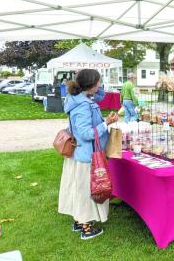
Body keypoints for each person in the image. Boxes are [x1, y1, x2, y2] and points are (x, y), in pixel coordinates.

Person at [58, 69, 118, 240]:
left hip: (81, 153)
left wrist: (91, 84)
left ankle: (79, 220)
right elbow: (85, 133)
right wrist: (105, 123)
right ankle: (86, 226)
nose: (100, 85)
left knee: (79, 188)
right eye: (98, 82)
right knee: (87, 190)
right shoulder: (83, 104)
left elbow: (99, 96)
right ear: (91, 85)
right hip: (87, 155)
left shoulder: (77, 98)